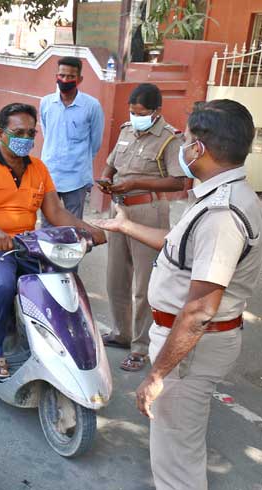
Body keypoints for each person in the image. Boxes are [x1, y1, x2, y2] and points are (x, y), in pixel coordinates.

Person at [98, 99, 262, 490]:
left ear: (201, 148)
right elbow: (177, 245)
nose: (183, 147)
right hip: (190, 339)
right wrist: (126, 226)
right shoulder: (218, 197)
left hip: (191, 344)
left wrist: (157, 374)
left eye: (187, 140)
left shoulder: (222, 214)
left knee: (181, 454)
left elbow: (199, 309)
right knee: (169, 445)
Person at [0, 102, 106, 377]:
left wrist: (89, 229)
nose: (25, 139)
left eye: (30, 133)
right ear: (0, 133)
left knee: (62, 277)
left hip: (27, 245)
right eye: (18, 132)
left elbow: (56, 212)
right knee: (2, 283)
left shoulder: (39, 169)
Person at [99, 83, 188, 372]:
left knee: (144, 285)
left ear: (157, 111)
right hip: (120, 209)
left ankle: (140, 347)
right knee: (116, 278)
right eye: (132, 111)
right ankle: (121, 332)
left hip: (148, 211)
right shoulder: (126, 130)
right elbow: (111, 164)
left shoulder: (169, 139)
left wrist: (137, 183)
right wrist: (105, 178)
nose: (135, 116)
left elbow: (178, 181)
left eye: (141, 112)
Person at [39, 56, 104, 224]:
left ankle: (71, 251)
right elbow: (48, 134)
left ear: (79, 79)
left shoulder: (92, 106)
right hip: (50, 173)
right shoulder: (46, 103)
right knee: (47, 223)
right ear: (56, 76)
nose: (65, 80)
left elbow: (95, 143)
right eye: (62, 75)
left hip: (76, 177)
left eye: (70, 77)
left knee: (73, 225)